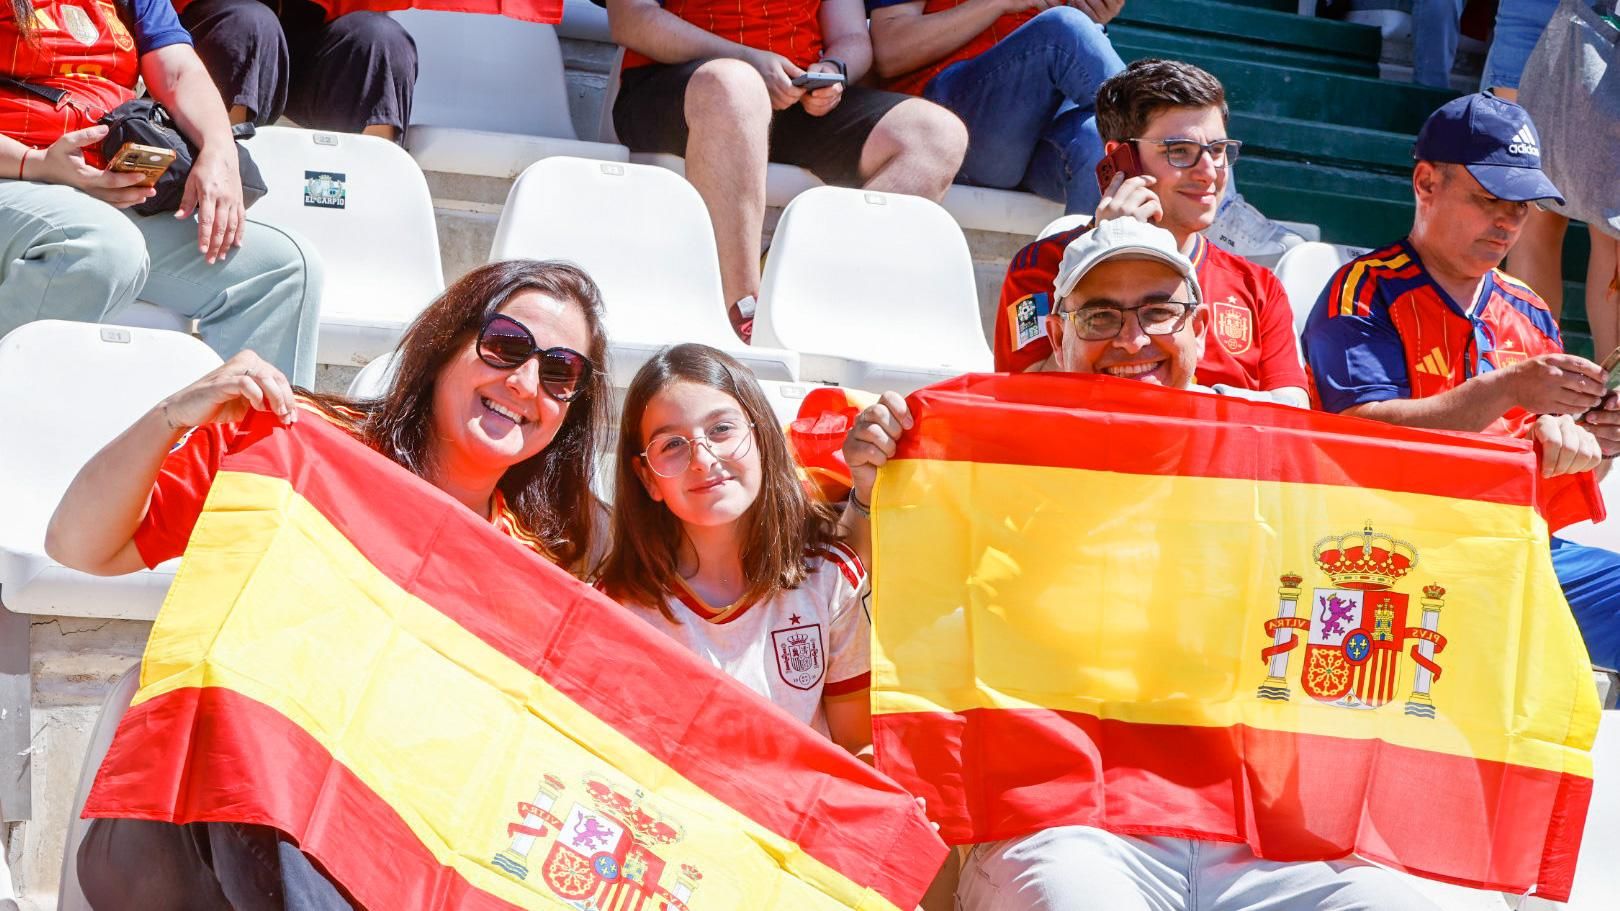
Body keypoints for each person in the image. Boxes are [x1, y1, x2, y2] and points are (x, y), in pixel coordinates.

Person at [842, 217, 1436, 911]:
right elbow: (871, 579)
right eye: (1100, 314)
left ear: (1200, 331)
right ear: (1058, 337)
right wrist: (869, 489)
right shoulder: (990, 453)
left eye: (1159, 310)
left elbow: (1394, 566)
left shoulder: (1271, 451)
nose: (1132, 339)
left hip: (1254, 825)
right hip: (1066, 817)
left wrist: (1521, 474)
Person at [49, 259, 612, 910]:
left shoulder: (528, 578)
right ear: (447, 344)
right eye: (506, 345)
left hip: (371, 865)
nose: (524, 381)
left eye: (559, 372)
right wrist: (177, 412)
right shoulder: (297, 450)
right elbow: (77, 543)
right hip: (202, 822)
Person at [1302, 92, 1620, 670]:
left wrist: (1598, 441)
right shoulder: (1363, 290)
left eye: (1521, 207)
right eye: (1488, 200)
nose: (1507, 222)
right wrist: (1506, 389)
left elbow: (1559, 469)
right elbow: (1358, 440)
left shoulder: (1529, 308)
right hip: (1389, 556)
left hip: (1517, 548)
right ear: (1426, 183)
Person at [0, 0, 323, 385]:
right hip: (19, 179)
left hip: (107, 194)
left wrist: (219, 148)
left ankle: (249, 445)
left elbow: (179, 70)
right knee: (103, 248)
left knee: (282, 270)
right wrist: (34, 162)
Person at [606, 0, 968, 341]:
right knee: (736, 85)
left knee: (937, 136)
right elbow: (632, 20)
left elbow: (853, 39)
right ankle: (742, 317)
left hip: (793, 95)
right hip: (680, 85)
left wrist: (833, 71)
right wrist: (745, 59)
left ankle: (808, 300)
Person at [598, 343, 873, 759]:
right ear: (647, 479)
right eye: (671, 445)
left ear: (760, 435)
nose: (703, 459)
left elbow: (858, 746)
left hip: (797, 819)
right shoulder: (616, 609)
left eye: (721, 430)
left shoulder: (829, 579)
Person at [992, 58, 1308, 407]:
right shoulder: (1041, 266)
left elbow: (1292, 411)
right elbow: (1029, 405)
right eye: (1179, 152)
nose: (1209, 172)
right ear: (1121, 159)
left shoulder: (1258, 286)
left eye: (1217, 151)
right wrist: (1112, 246)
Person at [865, 0, 1126, 213]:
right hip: (947, 129)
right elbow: (889, 52)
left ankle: (1091, 272)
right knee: (1063, 28)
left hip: (1041, 141)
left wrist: (1093, 12)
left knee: (1098, 139)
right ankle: (1157, 147)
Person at [177, 0, 417, 140]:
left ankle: (367, 194)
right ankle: (221, 172)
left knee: (381, 40)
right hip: (222, 30)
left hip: (319, 44)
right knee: (249, 23)